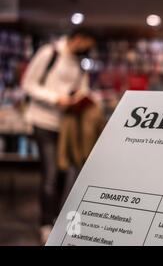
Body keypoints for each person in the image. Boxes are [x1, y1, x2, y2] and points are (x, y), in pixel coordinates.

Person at [21, 28, 96, 244]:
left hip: (66, 125)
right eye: (85, 44)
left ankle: (55, 218)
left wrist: (81, 99)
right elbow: (28, 84)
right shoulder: (49, 53)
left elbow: (82, 88)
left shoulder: (79, 63)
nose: (87, 49)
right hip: (43, 122)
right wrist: (55, 98)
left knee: (65, 173)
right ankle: (45, 223)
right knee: (51, 173)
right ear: (77, 39)